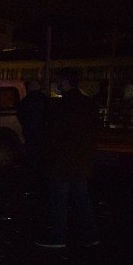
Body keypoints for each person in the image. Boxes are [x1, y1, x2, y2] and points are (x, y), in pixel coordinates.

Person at [35, 68, 99, 248]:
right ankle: (91, 235)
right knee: (82, 200)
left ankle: (58, 237)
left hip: (61, 162)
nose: (56, 85)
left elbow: (52, 135)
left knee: (59, 201)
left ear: (64, 83)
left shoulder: (61, 106)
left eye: (58, 82)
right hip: (82, 161)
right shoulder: (89, 104)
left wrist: (43, 154)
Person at [17, 78, 47, 179]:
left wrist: (25, 125)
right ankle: (41, 175)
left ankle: (32, 175)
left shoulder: (25, 101)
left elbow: (20, 115)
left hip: (29, 131)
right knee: (42, 154)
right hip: (43, 133)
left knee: (31, 154)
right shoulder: (45, 100)